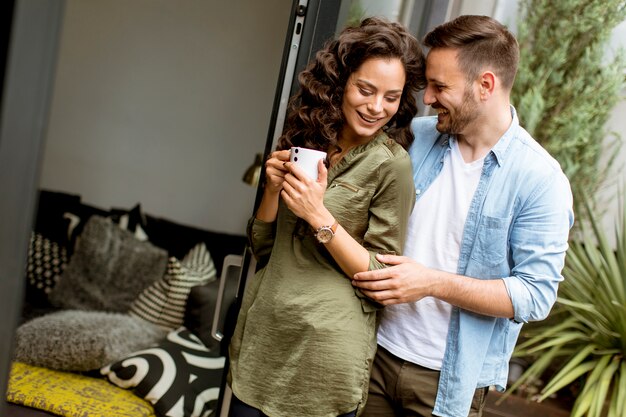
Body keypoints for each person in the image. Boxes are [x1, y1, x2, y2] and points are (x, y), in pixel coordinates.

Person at [351, 15, 575, 417]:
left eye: (440, 86)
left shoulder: (540, 180)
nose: (429, 98)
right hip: (371, 353)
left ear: (485, 85)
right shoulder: (415, 138)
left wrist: (432, 282)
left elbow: (535, 295)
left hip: (446, 380)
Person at [227, 17, 426, 417]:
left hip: (324, 354)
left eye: (391, 97)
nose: (376, 108)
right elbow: (263, 246)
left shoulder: (392, 166)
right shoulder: (306, 140)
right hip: (265, 333)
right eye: (365, 90)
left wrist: (318, 215)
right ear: (340, 83)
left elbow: (379, 275)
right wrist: (271, 189)